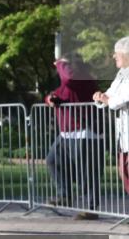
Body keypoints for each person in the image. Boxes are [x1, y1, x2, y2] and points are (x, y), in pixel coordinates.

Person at [45, 54, 101, 217]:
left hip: (85, 133)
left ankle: (92, 209)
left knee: (87, 172)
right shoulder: (67, 84)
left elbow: (69, 78)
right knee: (52, 160)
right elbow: (56, 94)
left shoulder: (83, 78)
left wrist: (60, 63)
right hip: (66, 134)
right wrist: (50, 99)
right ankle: (65, 195)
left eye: (64, 66)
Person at [94, 36, 129, 196]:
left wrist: (108, 100)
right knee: (124, 171)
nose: (114, 56)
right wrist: (100, 97)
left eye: (117, 53)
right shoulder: (122, 73)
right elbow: (110, 94)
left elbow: (121, 99)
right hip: (124, 134)